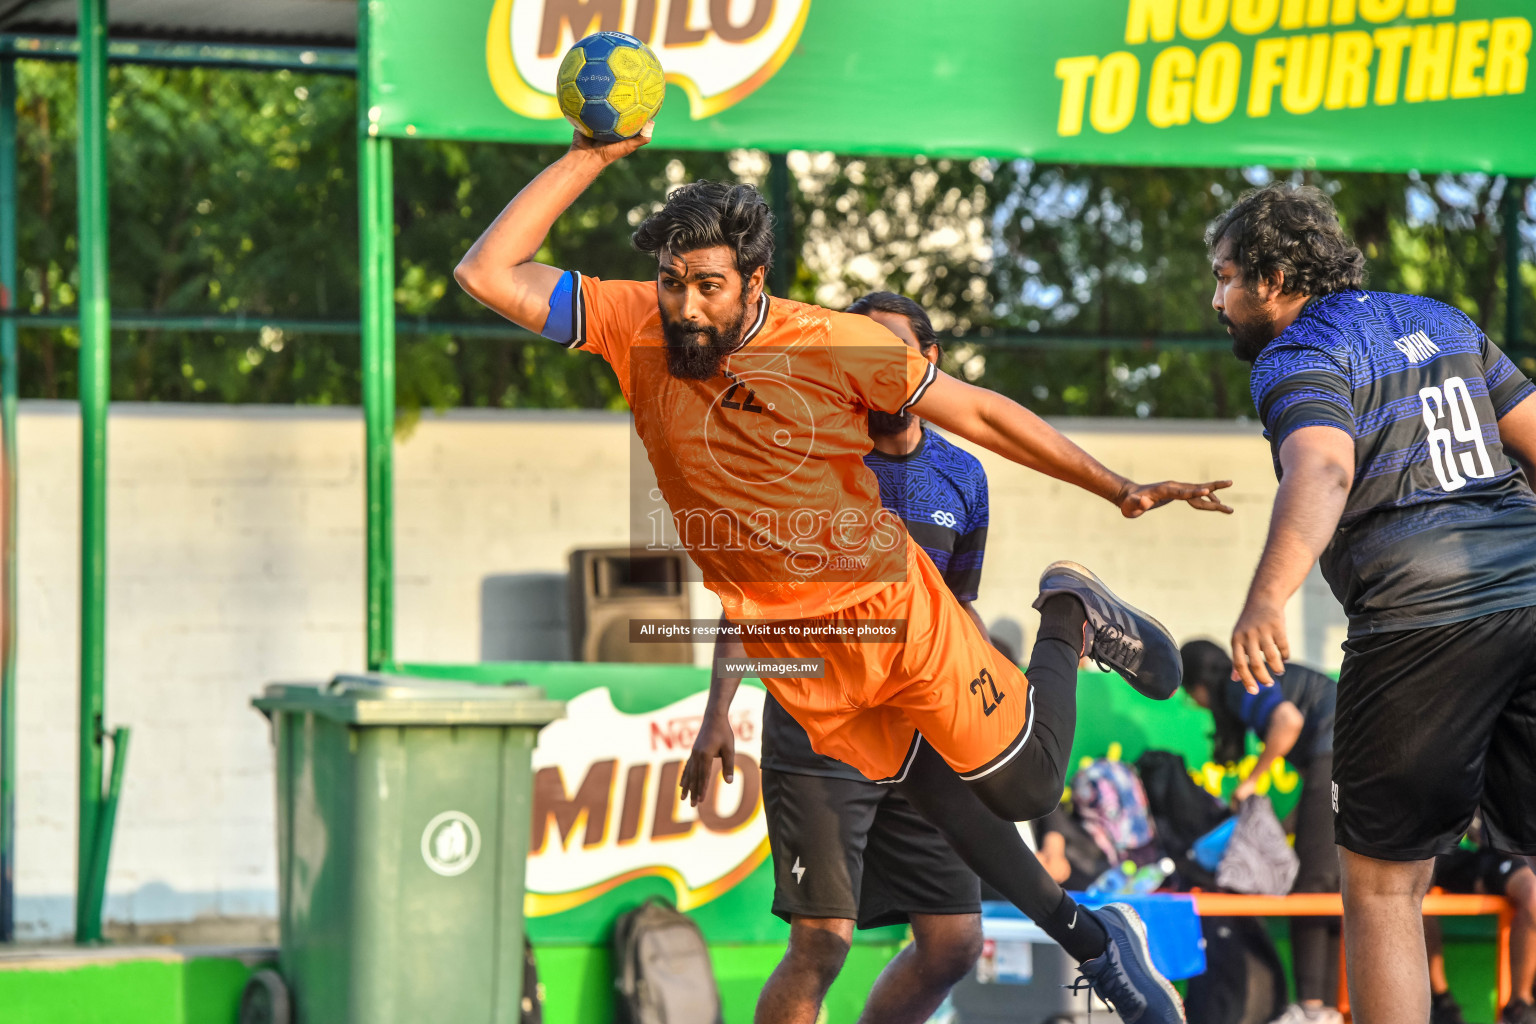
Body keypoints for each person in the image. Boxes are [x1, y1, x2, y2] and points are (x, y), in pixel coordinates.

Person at [455, 119, 1234, 1024]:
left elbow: (976, 413)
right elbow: (486, 273)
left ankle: (1067, 608)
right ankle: (1096, 943)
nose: (686, 307)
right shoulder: (635, 325)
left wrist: (1117, 486)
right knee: (936, 806)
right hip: (804, 660)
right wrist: (593, 155)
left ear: (754, 281)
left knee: (1023, 790)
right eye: (672, 285)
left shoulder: (830, 343)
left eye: (708, 286)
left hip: (896, 618)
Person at [1210, 181, 1536, 1024]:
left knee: (1385, 886)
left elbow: (1322, 468)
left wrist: (1265, 599)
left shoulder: (1299, 354)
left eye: (1226, 278)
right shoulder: (1448, 321)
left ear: (1276, 278)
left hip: (1420, 617)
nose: (1218, 301)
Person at [724, 291, 987, 1024]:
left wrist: (998, 718)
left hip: (921, 730)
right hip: (822, 732)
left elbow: (959, 610)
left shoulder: (964, 476)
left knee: (954, 942)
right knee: (821, 944)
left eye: (892, 356)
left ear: (928, 363)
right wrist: (719, 713)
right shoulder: (807, 463)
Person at [1181, 640, 1340, 1024]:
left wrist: (1252, 781)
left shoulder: (1242, 681)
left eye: (1191, 695)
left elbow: (1289, 721)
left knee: (1311, 887)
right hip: (1357, 755)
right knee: (1335, 886)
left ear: (1200, 685)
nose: (1197, 703)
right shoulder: (1254, 679)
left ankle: (1312, 1008)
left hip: (1339, 754)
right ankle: (1328, 1008)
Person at [1425, 821, 1536, 1024]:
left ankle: (1519, 1009)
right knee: (1406, 890)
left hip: (1492, 855)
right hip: (1433, 850)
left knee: (1533, 891)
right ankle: (1442, 1004)